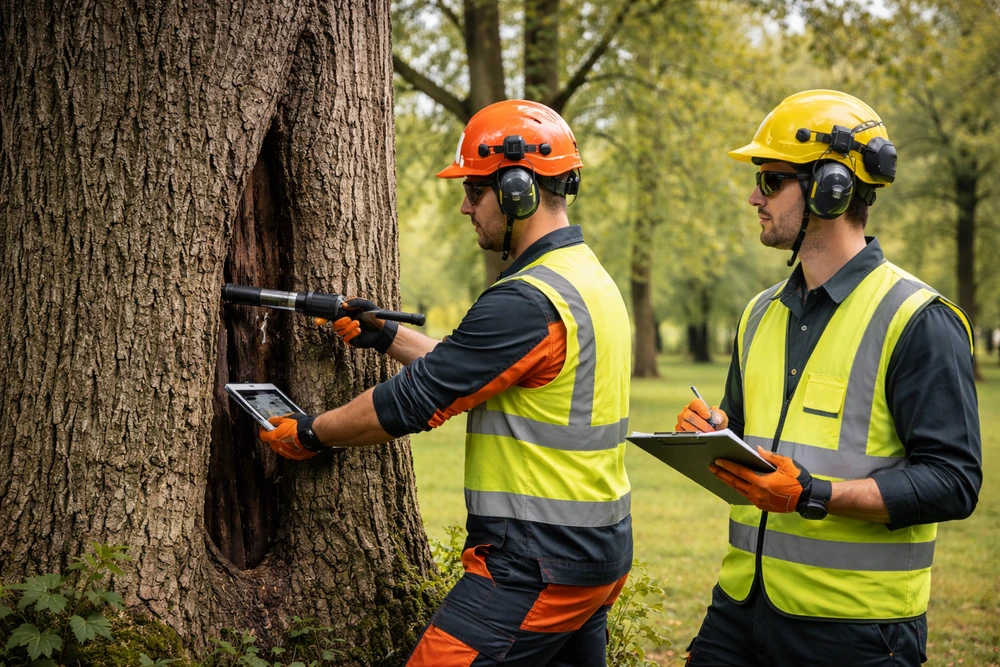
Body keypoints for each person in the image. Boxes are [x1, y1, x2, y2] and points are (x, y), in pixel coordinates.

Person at [260, 100, 633, 666]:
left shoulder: (526, 301)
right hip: (593, 556)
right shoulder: (584, 278)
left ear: (517, 189)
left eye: (474, 191)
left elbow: (411, 403)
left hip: (536, 565)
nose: (464, 207)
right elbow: (476, 368)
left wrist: (311, 433)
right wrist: (384, 336)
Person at [676, 90, 982, 666]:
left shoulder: (919, 320)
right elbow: (744, 434)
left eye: (769, 181)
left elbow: (953, 481)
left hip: (859, 631)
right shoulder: (758, 314)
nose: (753, 198)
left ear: (830, 188)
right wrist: (713, 431)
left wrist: (814, 495)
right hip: (742, 607)